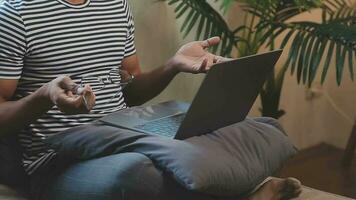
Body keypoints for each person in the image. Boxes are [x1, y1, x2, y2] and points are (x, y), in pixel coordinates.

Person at [0, 0, 302, 199]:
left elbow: (131, 90)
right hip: (57, 161)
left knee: (258, 129)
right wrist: (45, 96)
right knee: (139, 172)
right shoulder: (15, 14)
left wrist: (173, 65)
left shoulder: (116, 6)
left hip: (121, 133)